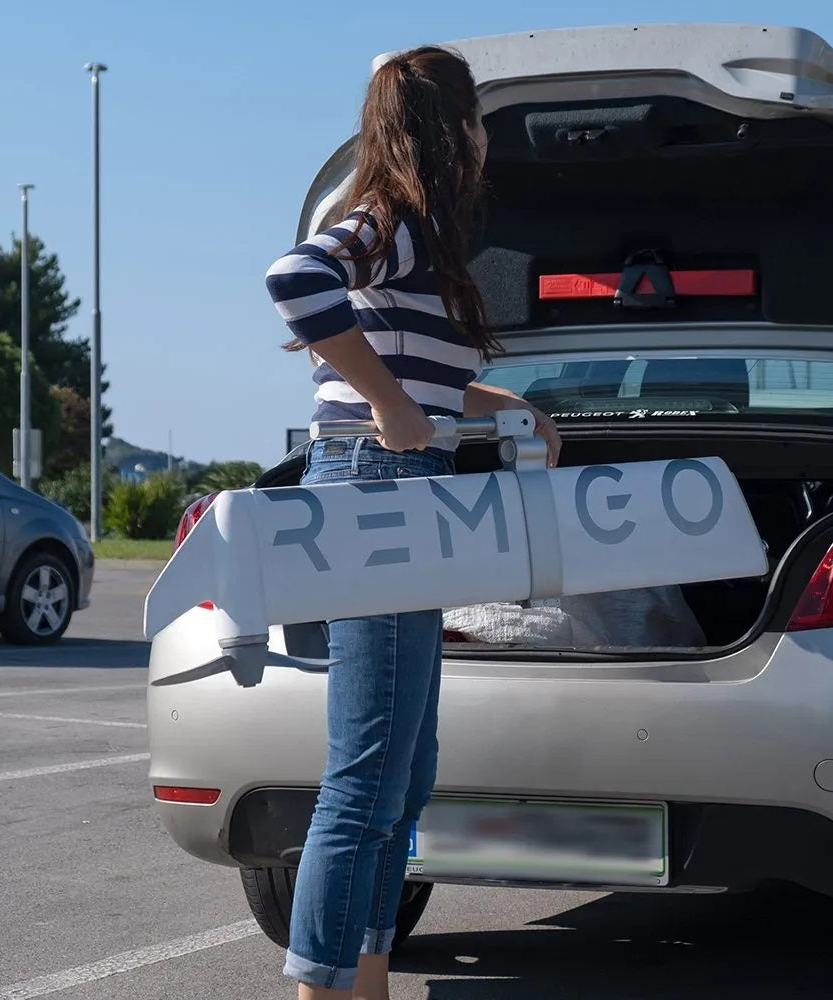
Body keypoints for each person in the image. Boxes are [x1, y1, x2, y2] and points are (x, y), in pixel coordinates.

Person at [265, 44, 561, 1000]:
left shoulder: (414, 233)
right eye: (476, 122)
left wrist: (501, 405)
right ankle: (323, 989)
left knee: (405, 768)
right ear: (451, 130)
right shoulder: (384, 218)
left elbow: (420, 382)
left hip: (401, 482)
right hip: (377, 483)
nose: (483, 141)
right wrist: (391, 403)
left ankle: (371, 975)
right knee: (366, 777)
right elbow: (294, 279)